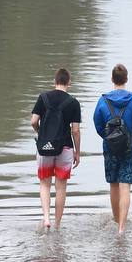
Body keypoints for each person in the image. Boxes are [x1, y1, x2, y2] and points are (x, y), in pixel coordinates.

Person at [93, 64, 132, 234]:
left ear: (112, 79)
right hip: (131, 148)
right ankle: (121, 227)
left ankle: (116, 219)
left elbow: (97, 124)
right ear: (126, 79)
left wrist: (108, 138)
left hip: (110, 149)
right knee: (125, 185)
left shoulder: (102, 101)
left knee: (113, 184)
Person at [31, 68, 82, 229]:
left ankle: (46, 218)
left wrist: (42, 134)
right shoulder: (73, 102)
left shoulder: (43, 98)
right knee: (61, 188)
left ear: (55, 81)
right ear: (69, 82)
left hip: (44, 148)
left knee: (45, 184)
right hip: (65, 148)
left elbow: (33, 121)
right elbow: (75, 130)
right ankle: (57, 225)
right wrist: (77, 152)